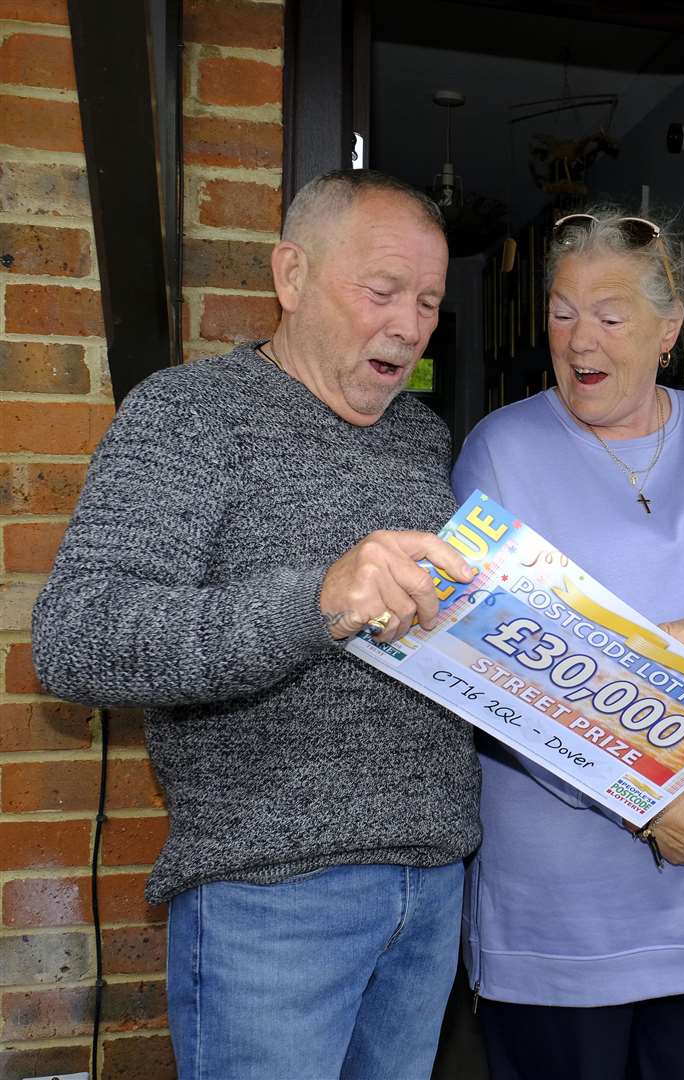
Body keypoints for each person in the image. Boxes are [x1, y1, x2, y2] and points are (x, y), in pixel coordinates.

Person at [31, 169, 483, 1079]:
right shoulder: (186, 416)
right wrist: (316, 599)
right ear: (290, 275)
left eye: (430, 301)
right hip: (271, 898)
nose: (409, 324)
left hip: (431, 884)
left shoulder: (422, 438)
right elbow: (78, 636)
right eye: (382, 291)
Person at [451, 207, 684, 1080]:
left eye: (611, 316)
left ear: (669, 330)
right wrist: (643, 805)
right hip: (567, 901)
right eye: (561, 310)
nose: (580, 339)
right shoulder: (500, 452)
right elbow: (486, 670)